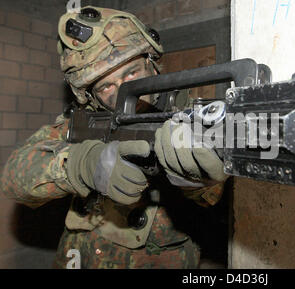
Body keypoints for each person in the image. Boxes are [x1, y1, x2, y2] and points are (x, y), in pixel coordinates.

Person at [0, 6, 227, 269]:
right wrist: (80, 165)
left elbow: (217, 201)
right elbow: (13, 178)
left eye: (131, 73)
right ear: (90, 96)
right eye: (106, 86)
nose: (123, 93)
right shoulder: (87, 120)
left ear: (153, 65)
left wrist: (200, 179)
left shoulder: (190, 119)